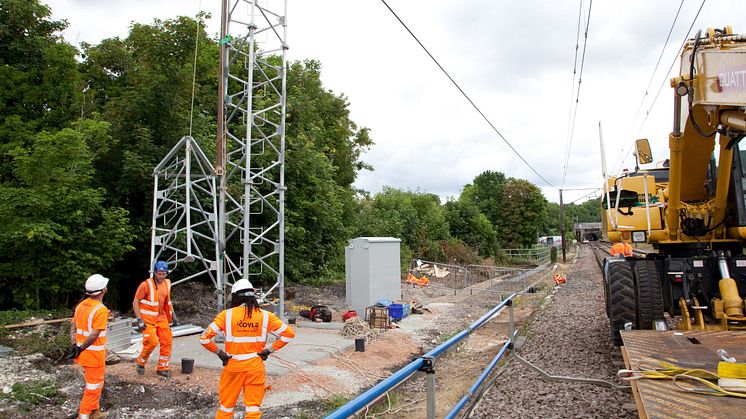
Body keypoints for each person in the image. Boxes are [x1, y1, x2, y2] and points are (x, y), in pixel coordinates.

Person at [200, 279, 295, 418]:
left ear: (236, 296)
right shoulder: (265, 316)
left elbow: (204, 338)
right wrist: (269, 350)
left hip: (233, 367)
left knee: (226, 408)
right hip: (255, 367)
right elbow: (288, 334)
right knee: (253, 410)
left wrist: (220, 353)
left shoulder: (227, 315)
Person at [69, 274, 110, 419]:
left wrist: (75, 345)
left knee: (96, 385)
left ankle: (95, 411)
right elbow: (94, 336)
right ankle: (84, 416)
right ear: (103, 290)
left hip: (83, 354)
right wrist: (80, 348)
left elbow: (73, 326)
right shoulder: (101, 309)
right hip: (93, 356)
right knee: (93, 388)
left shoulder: (81, 305)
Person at [132, 260, 179, 378]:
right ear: (155, 273)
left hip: (162, 318)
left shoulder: (167, 283)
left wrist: (173, 313)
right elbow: (135, 301)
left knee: (167, 341)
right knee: (152, 341)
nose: (161, 276)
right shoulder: (146, 285)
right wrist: (139, 319)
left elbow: (167, 300)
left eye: (164, 274)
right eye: (159, 273)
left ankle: (163, 367)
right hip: (148, 319)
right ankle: (141, 361)